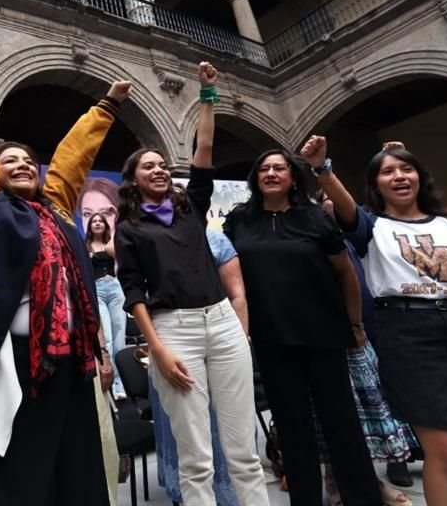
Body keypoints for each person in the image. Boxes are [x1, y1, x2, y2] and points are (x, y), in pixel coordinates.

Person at [0, 23, 124, 506]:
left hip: (68, 361)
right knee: (15, 477)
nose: (23, 165)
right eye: (10, 161)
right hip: (8, 360)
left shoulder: (56, 209)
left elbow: (71, 160)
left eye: (28, 161)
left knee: (73, 471)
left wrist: (105, 107)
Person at [304, 135, 447, 506]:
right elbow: (344, 206)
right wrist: (323, 168)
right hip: (407, 337)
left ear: (421, 177)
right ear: (375, 185)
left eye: (407, 169)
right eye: (388, 172)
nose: (399, 176)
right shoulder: (370, 228)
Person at [115, 62, 268, 506]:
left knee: (244, 453)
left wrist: (207, 95)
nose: (159, 170)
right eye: (148, 166)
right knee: (197, 457)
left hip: (222, 323)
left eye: (163, 165)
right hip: (173, 331)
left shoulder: (191, 209)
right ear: (133, 179)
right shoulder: (129, 228)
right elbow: (133, 291)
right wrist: (157, 349)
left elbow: (204, 148)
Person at [222, 147, 381, 506]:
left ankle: (363, 499)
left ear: (293, 176)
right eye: (264, 169)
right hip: (271, 338)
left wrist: (354, 324)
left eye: (279, 168)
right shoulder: (239, 220)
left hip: (324, 334)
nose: (271, 173)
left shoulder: (315, 217)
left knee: (341, 422)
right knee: (292, 427)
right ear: (255, 178)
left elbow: (345, 274)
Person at [316, 191, 417, 506]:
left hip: (369, 333)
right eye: (326, 199)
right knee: (336, 417)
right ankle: (336, 484)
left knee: (370, 415)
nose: (333, 203)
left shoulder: (357, 238)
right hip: (330, 335)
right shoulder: (313, 239)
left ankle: (374, 478)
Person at [149, 228, 250, 505]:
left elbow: (238, 296)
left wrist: (239, 342)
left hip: (223, 342)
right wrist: (157, 349)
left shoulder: (215, 239)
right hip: (172, 345)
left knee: (236, 444)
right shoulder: (148, 237)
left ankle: (230, 498)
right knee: (190, 448)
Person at [86, 212, 127, 399]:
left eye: (100, 221)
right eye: (93, 221)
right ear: (89, 226)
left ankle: (121, 385)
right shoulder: (85, 245)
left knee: (119, 338)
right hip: (97, 291)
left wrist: (116, 218)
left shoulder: (110, 243)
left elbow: (117, 250)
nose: (97, 223)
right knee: (107, 339)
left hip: (115, 288)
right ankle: (109, 383)